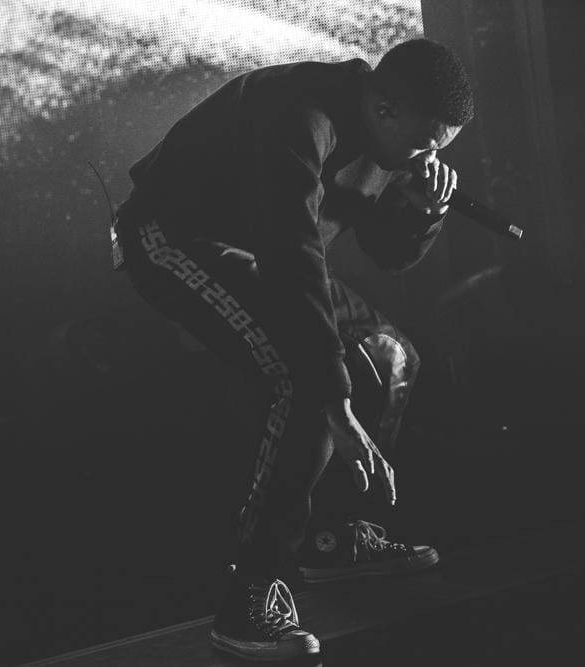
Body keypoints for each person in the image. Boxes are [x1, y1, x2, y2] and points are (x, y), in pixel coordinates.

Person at [111, 38, 473, 661]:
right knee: (306, 384)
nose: (426, 160)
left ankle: (332, 539)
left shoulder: (388, 134)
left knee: (391, 356)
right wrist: (336, 404)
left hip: (263, 253)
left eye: (439, 149)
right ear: (384, 108)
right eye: (423, 146)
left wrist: (423, 211)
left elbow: (387, 254)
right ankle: (249, 596)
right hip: (174, 237)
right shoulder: (298, 112)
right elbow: (292, 255)